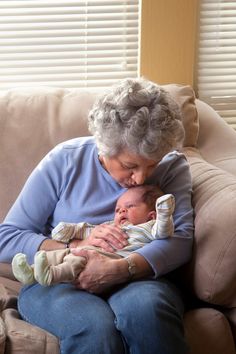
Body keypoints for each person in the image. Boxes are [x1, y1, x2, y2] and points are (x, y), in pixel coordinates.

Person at [0, 77, 194, 354]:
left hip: (136, 277)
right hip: (59, 279)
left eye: (151, 165)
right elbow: (7, 237)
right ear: (104, 146)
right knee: (95, 328)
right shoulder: (65, 160)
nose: (140, 178)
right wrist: (75, 247)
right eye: (129, 165)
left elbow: (181, 239)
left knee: (147, 311)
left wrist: (121, 269)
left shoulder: (173, 166)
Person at [11, 185, 175, 286]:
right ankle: (30, 272)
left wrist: (164, 213)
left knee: (77, 260)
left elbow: (164, 231)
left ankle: (51, 275)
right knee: (59, 255)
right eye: (117, 210)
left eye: (129, 206)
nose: (121, 212)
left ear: (151, 216)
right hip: (83, 249)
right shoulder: (110, 226)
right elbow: (83, 230)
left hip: (109, 259)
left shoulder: (147, 227)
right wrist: (68, 230)